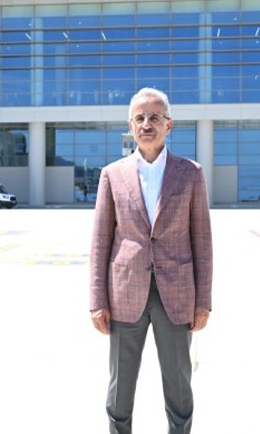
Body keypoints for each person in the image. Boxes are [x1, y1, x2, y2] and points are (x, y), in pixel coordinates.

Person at [89, 88, 213, 434]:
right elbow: (100, 242)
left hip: (177, 296)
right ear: (130, 126)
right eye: (140, 118)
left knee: (179, 386)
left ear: (168, 125)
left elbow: (202, 241)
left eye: (155, 117)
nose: (147, 124)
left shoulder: (190, 173)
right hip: (124, 295)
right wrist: (97, 301)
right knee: (120, 387)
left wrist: (203, 301)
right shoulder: (112, 174)